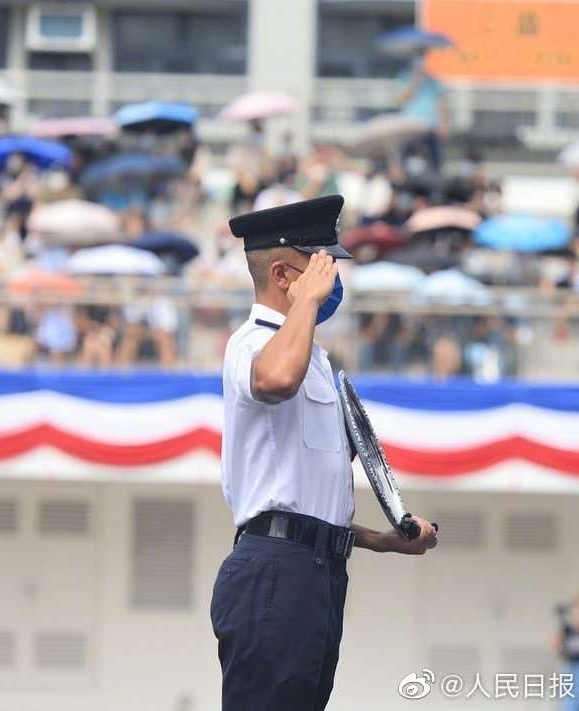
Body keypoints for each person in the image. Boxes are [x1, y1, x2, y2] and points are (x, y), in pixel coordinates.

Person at [211, 195, 439, 711]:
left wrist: (383, 540)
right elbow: (275, 381)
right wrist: (309, 303)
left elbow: (306, 501)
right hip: (274, 571)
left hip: (317, 569)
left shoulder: (315, 360)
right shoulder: (251, 344)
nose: (333, 282)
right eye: (320, 268)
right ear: (283, 275)